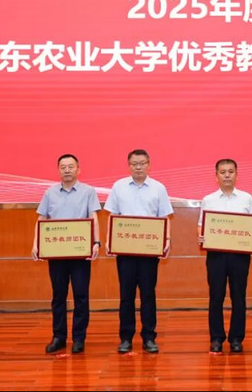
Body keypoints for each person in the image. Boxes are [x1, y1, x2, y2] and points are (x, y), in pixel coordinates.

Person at [104, 149, 174, 354]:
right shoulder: (118, 186)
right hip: (125, 250)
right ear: (129, 166)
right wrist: (109, 240)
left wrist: (167, 240)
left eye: (142, 163)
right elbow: (113, 216)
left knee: (148, 294)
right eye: (134, 164)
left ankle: (149, 337)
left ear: (149, 165)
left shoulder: (158, 188)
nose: (138, 167)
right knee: (126, 295)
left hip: (149, 251)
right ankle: (126, 338)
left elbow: (164, 217)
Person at [32, 154, 101, 355]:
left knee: (81, 296)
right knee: (58, 296)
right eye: (63, 167)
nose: (67, 170)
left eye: (71, 166)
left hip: (80, 254)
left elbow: (93, 217)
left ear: (78, 169)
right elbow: (41, 219)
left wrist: (96, 242)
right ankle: (59, 337)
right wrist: (36, 244)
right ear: (58, 170)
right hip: (57, 254)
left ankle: (79, 338)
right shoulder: (50, 192)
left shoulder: (88, 191)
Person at [197, 159, 252, 353]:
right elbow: (201, 225)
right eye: (223, 172)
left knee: (238, 296)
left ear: (236, 174)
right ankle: (216, 338)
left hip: (240, 255)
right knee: (216, 296)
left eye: (231, 171)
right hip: (216, 255)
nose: (227, 175)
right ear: (216, 175)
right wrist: (202, 236)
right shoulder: (209, 199)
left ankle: (236, 338)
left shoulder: (246, 198)